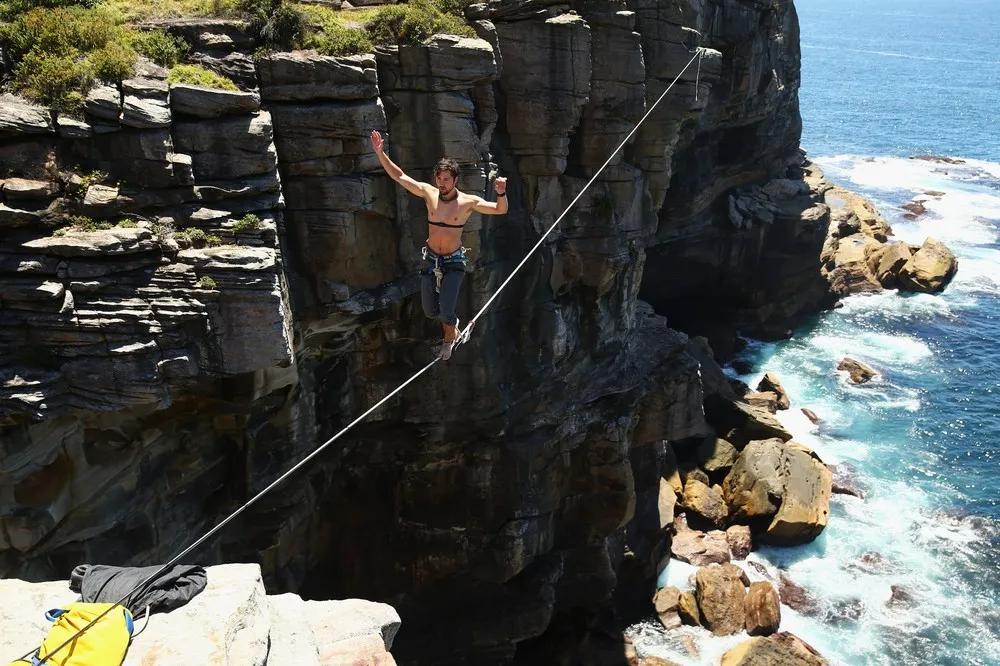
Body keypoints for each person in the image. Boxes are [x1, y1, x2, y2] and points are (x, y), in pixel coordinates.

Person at [370, 129, 508, 360]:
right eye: (439, 178)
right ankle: (450, 325)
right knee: (430, 310)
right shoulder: (429, 193)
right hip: (430, 259)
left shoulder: (467, 202)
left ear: (455, 180)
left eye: (446, 179)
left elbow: (499, 210)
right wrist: (380, 153)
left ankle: (448, 339)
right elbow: (400, 177)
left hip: (454, 262)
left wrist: (501, 194)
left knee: (445, 310)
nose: (442, 183)